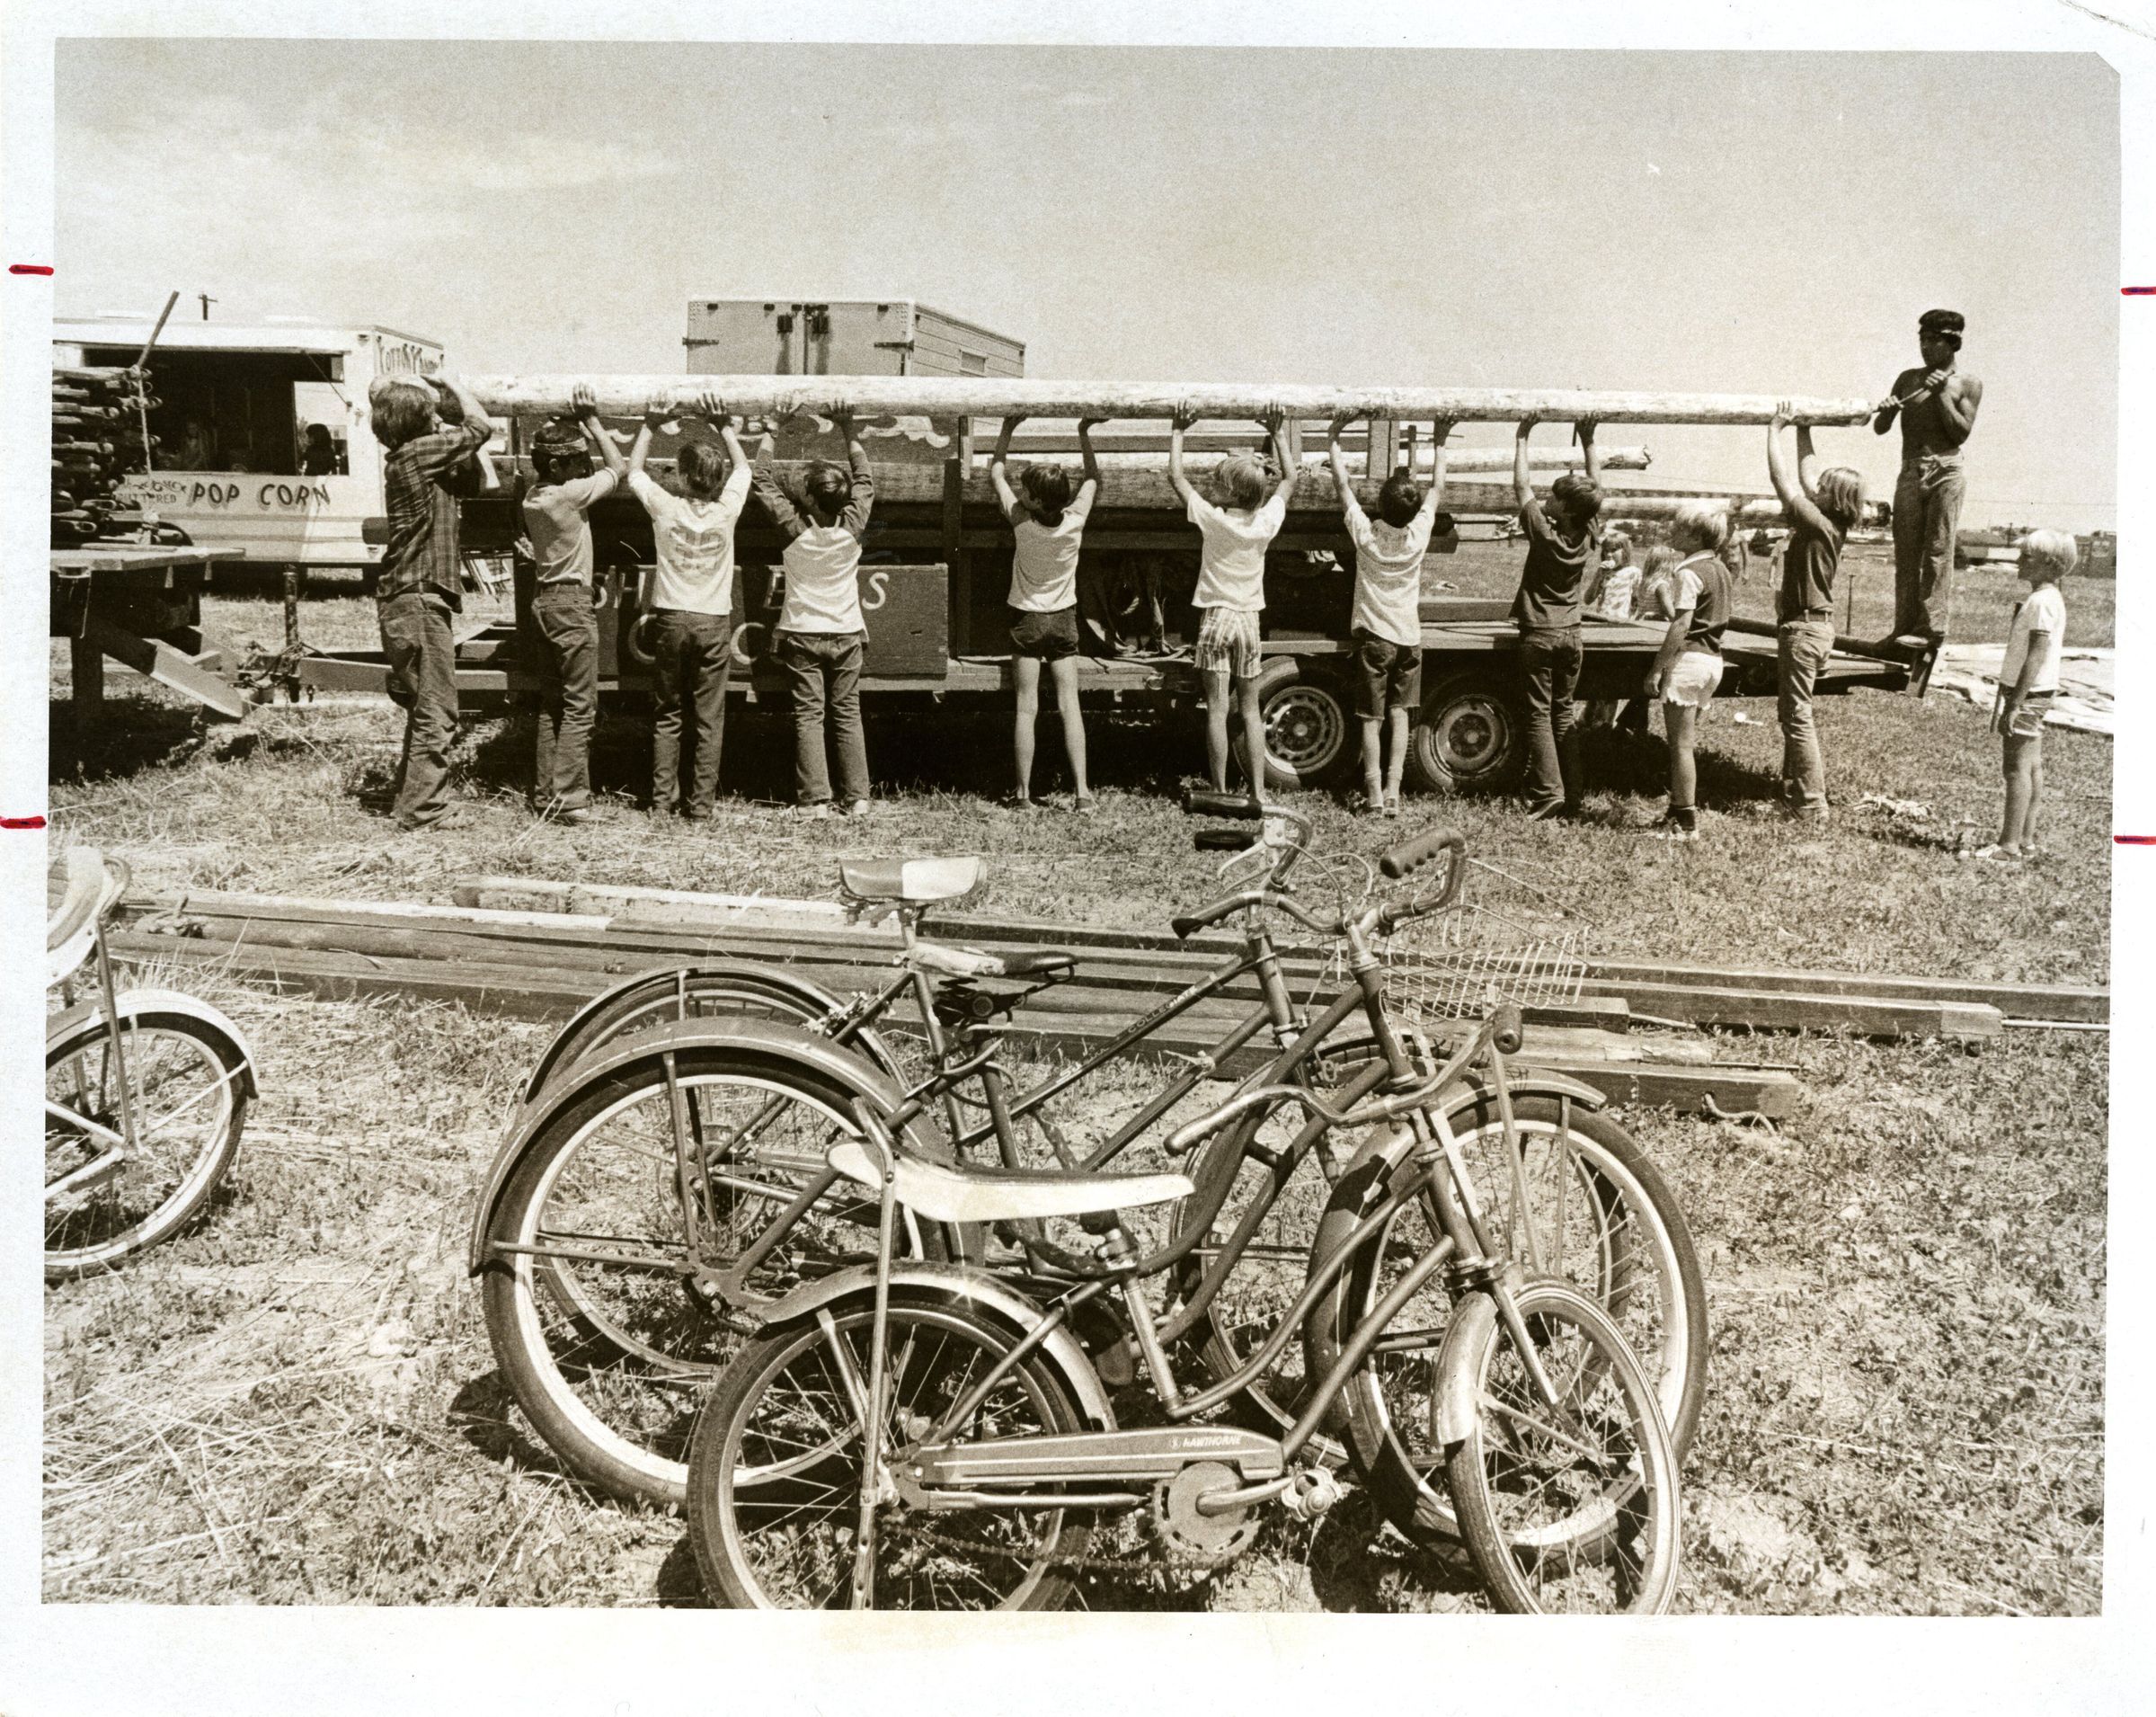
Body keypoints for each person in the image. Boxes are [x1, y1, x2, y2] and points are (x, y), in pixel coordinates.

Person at [365, 371, 497, 830]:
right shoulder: (418, 455)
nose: (437, 421)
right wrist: (454, 386)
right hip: (418, 601)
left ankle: (412, 797)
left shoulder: (421, 464)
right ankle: (423, 810)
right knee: (438, 712)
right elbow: (481, 427)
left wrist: (447, 424)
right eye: (430, 415)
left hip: (411, 600)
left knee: (425, 707)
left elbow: (483, 482)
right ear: (418, 421)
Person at [626, 389, 752, 822]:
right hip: (713, 621)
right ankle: (700, 808)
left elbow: (634, 471)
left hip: (671, 618)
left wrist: (650, 424)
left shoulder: (665, 507)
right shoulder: (727, 511)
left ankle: (662, 803)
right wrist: (725, 427)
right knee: (709, 718)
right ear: (718, 481)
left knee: (668, 713)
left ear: (680, 477)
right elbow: (744, 469)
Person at [751, 406, 876, 818]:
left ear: (807, 498)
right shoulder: (852, 528)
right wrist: (848, 428)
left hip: (802, 634)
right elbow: (865, 480)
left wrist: (772, 431)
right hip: (847, 632)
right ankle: (858, 798)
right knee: (847, 713)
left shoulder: (794, 531)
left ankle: (815, 801)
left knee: (809, 716)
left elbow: (761, 479)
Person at [1168, 404, 1299, 794]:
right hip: (1248, 620)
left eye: (1217, 483)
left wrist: (1178, 430)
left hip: (1216, 618)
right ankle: (1257, 790)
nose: (1212, 486)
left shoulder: (1214, 520)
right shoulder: (1266, 522)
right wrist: (1278, 432)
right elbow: (1290, 479)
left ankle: (1221, 789)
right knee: (1251, 711)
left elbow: (1176, 477)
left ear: (1231, 492)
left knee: (1216, 709)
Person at [1326, 413, 1449, 814]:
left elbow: (1343, 486)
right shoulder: (1417, 536)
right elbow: (1437, 488)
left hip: (1376, 641)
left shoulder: (1366, 537)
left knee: (1369, 717)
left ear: (1379, 505)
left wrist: (1333, 436)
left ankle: (1374, 793)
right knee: (1400, 716)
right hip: (1409, 640)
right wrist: (1441, 440)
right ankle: (1394, 790)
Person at [520, 383, 624, 823]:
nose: (585, 468)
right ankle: (570, 800)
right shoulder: (569, 494)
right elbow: (617, 468)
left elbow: (587, 468)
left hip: (544, 602)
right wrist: (593, 422)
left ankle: (547, 793)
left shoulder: (534, 496)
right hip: (571, 606)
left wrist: (570, 431)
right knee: (581, 707)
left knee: (554, 706)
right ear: (557, 465)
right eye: (577, 462)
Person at [990, 413, 1103, 811]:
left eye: (1026, 491)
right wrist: (1083, 431)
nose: (1020, 494)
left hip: (1027, 619)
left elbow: (996, 471)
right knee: (1070, 705)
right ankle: (1083, 793)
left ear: (1037, 501)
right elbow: (1092, 478)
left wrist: (1007, 428)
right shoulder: (1075, 520)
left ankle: (1023, 795)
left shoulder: (1021, 520)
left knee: (1027, 708)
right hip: (1064, 619)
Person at [1766, 400, 1867, 822]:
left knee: (1797, 716)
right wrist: (1804, 428)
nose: (1814, 490)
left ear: (1832, 497)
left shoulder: (1814, 522)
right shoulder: (1830, 522)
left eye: (1822, 488)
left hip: (1803, 629)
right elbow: (1809, 477)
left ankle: (1811, 804)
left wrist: (1774, 429)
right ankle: (1796, 792)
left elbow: (1783, 480)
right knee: (1794, 713)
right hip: (1815, 628)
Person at [1508, 415, 1604, 821]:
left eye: (1554, 497)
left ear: (1565, 508)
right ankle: (1574, 796)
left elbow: (1521, 486)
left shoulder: (1546, 535)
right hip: (1571, 634)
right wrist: (1589, 439)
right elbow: (1597, 490)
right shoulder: (1588, 531)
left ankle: (1549, 793)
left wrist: (1522, 436)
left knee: (1537, 714)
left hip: (1540, 634)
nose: (1546, 499)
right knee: (1562, 713)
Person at [1874, 308, 1982, 649]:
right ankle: (1902, 628)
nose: (1925, 347)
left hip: (1946, 470)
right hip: (1910, 469)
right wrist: (1889, 410)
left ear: (1952, 343)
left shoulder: (1968, 384)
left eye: (1933, 340)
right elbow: (1880, 427)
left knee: (1937, 550)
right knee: (1906, 553)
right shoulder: (1908, 378)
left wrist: (1941, 395)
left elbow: (1960, 433)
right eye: (1922, 339)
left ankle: (1931, 629)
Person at [1970, 529, 2078, 862]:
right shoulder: (2047, 598)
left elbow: (2036, 654)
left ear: (2050, 564)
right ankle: (2026, 841)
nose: (2019, 561)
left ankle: (2008, 846)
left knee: (2015, 769)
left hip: (2028, 695)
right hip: (2037, 692)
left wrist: (2015, 704)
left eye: (2027, 556)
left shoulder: (2042, 601)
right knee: (2031, 766)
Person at [1641, 503, 1734, 840]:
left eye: (1679, 528)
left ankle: (1685, 823)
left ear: (1695, 537)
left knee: (1680, 746)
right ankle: (1675, 812)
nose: (1672, 532)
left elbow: (1681, 624)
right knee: (1683, 743)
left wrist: (1656, 669)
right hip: (1712, 661)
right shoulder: (1720, 569)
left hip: (1690, 661)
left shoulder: (1687, 572)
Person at [1613, 543, 1682, 740]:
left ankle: (1636, 728)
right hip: (1656, 635)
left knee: (1643, 690)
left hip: (1642, 630)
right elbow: (1670, 613)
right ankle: (1628, 725)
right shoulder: (1661, 585)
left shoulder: (1646, 582)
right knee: (1646, 689)